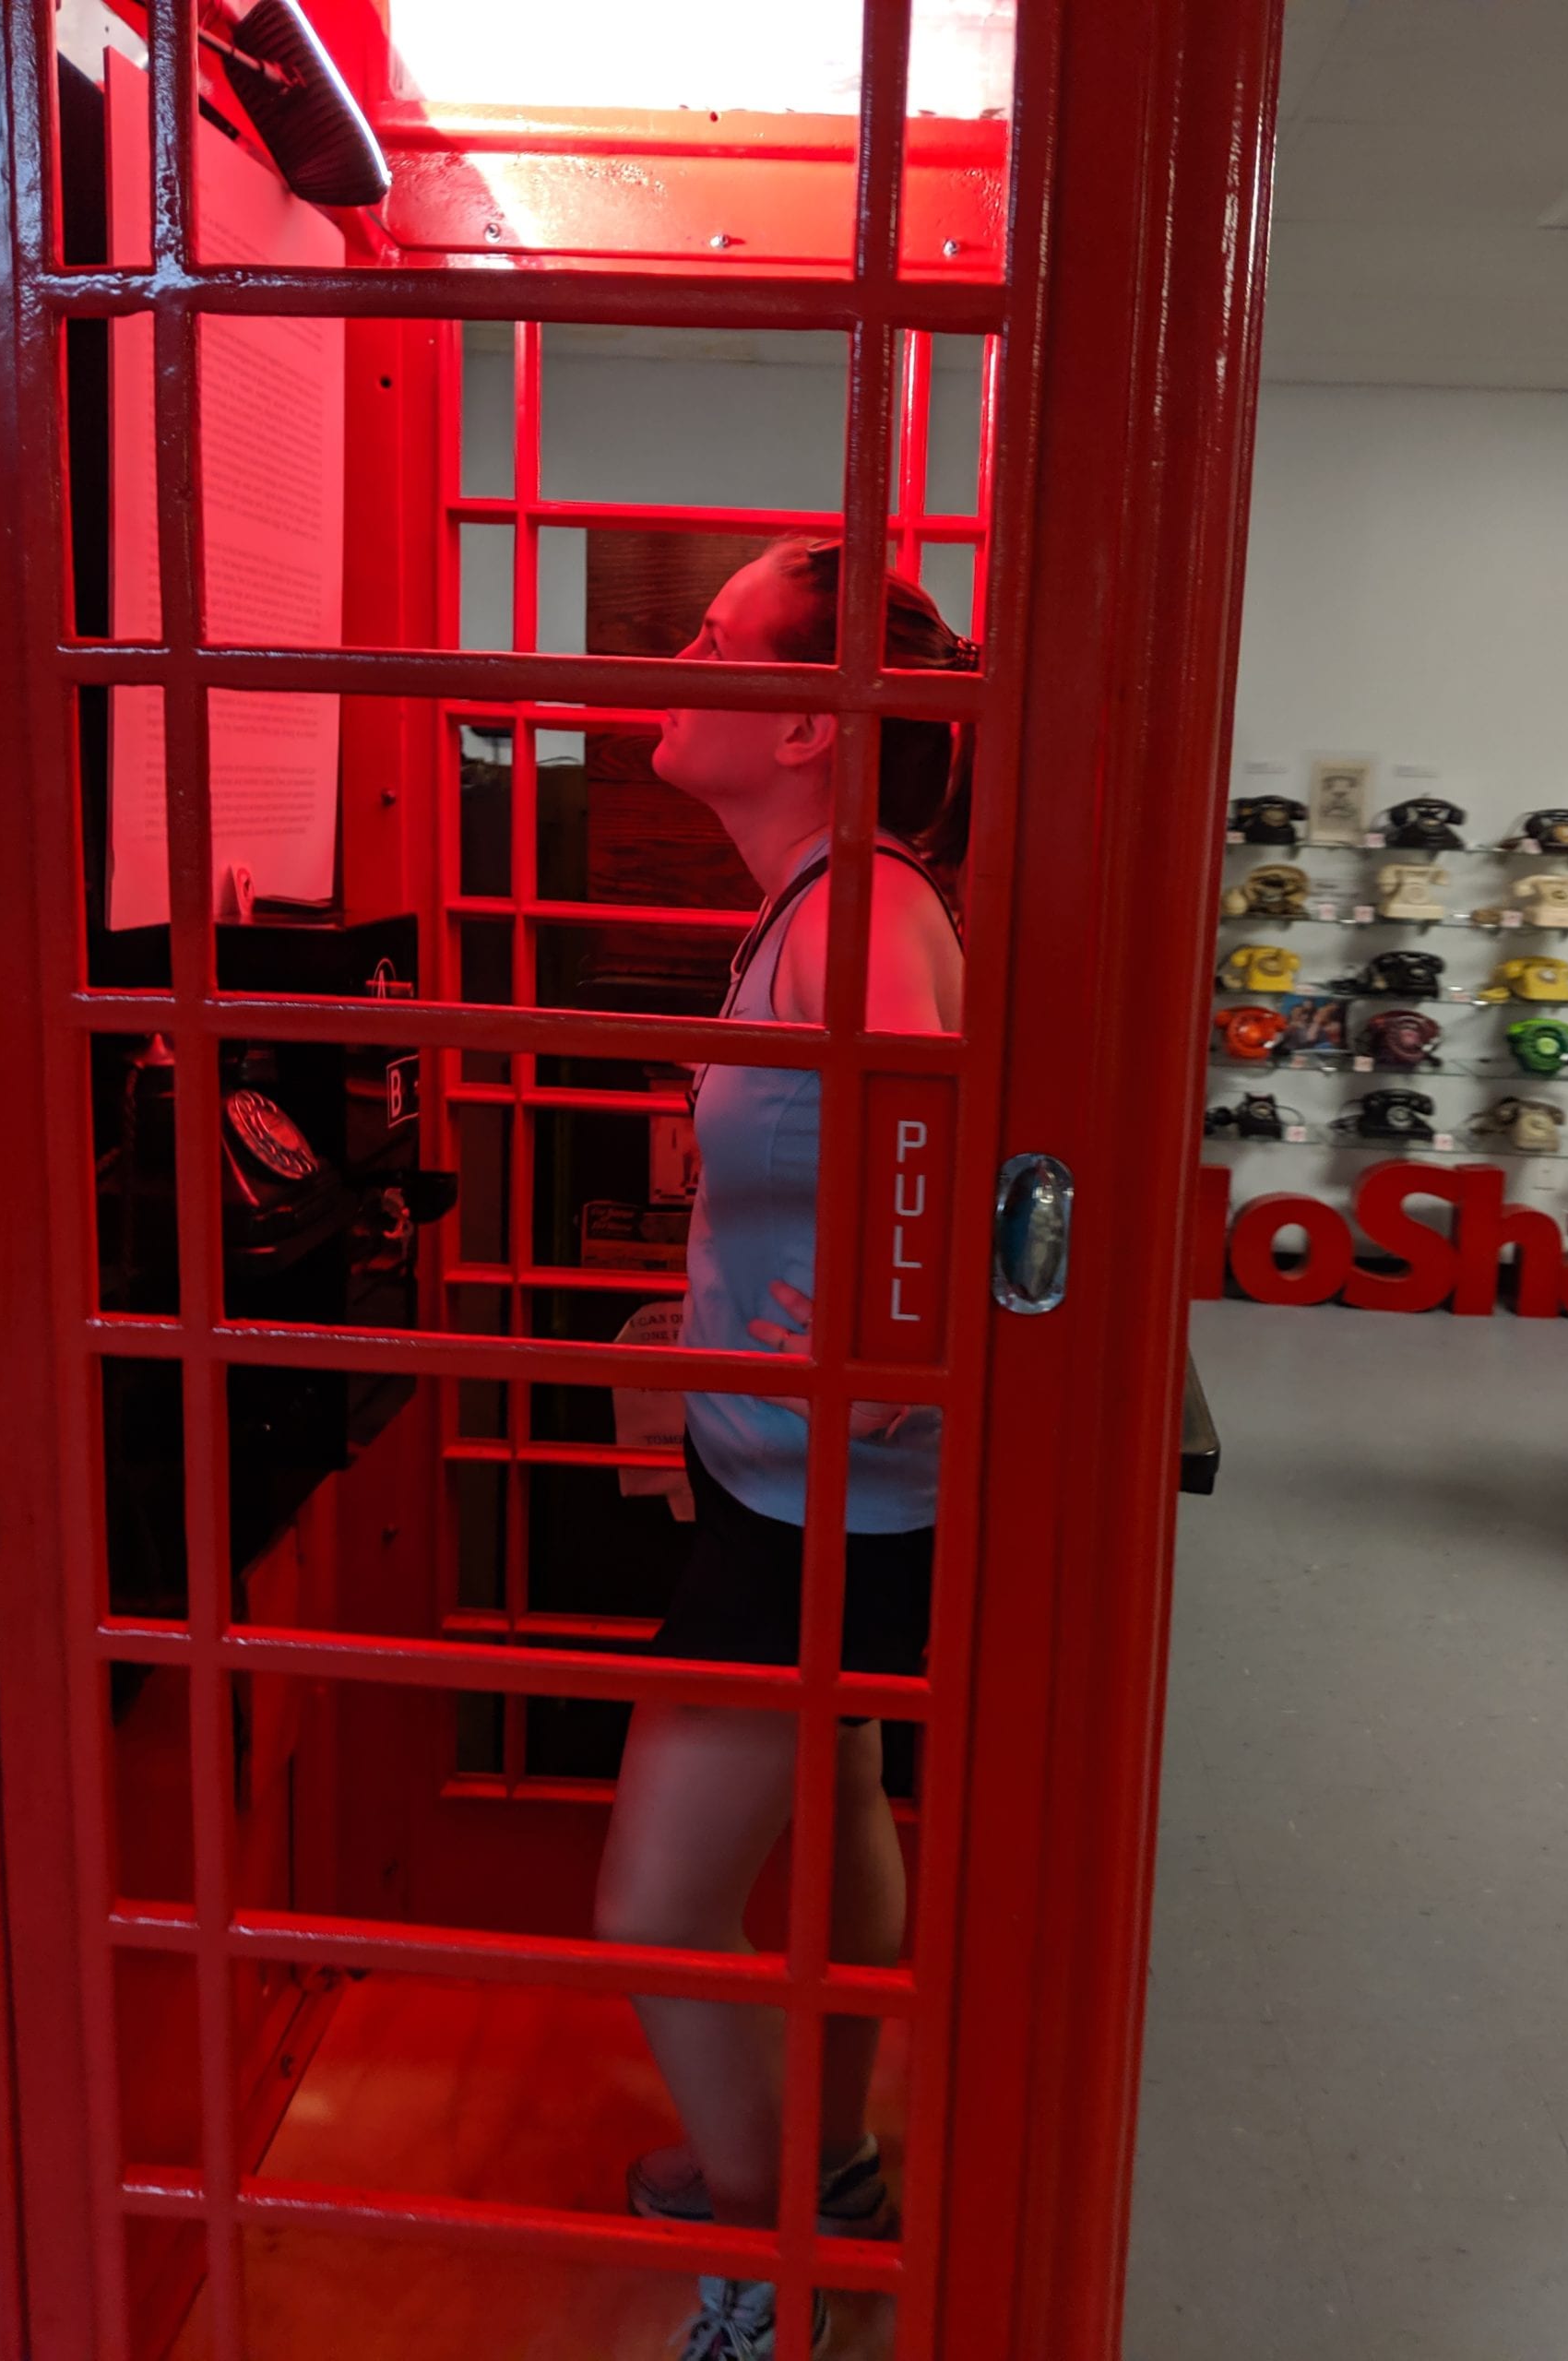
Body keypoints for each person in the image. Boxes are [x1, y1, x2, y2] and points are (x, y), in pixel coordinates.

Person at [593, 537, 973, 2361]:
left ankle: (776, 2264)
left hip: (824, 1502)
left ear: (814, 726)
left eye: (716, 639)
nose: (681, 655)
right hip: (803, 1481)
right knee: (835, 1801)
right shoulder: (825, 898)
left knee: (656, 1901)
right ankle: (827, 2164)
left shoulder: (854, 919)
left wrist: (872, 1352)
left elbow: (913, 1139)